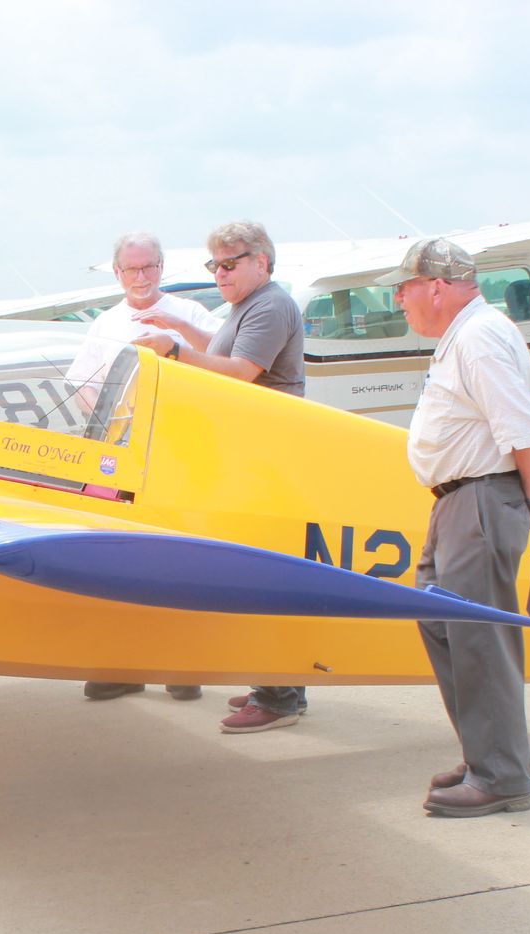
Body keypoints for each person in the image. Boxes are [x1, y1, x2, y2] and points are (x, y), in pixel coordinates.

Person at [381, 238, 530, 817]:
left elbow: (524, 428)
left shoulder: (478, 338)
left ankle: (501, 776)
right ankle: (490, 755)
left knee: (478, 638)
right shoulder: (467, 336)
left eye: (403, 288)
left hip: (480, 497)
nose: (398, 299)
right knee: (443, 624)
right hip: (459, 500)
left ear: (435, 285)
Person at [135, 220, 310, 734]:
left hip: (268, 461)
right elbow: (230, 348)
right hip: (257, 458)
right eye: (214, 264)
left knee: (262, 576)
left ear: (262, 261)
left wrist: (172, 352)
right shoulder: (250, 307)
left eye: (230, 263)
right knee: (263, 572)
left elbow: (241, 372)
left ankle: (277, 696)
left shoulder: (272, 304)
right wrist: (186, 332)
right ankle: (279, 687)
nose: (220, 273)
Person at [72, 231, 219, 704]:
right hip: (125, 458)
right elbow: (82, 385)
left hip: (183, 455)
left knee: (183, 559)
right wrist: (111, 433)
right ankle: (125, 666)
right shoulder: (105, 324)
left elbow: (227, 367)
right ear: (117, 273)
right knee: (121, 557)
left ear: (162, 268)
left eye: (149, 267)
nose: (141, 277)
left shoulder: (192, 316)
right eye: (131, 269)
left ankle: (182, 666)